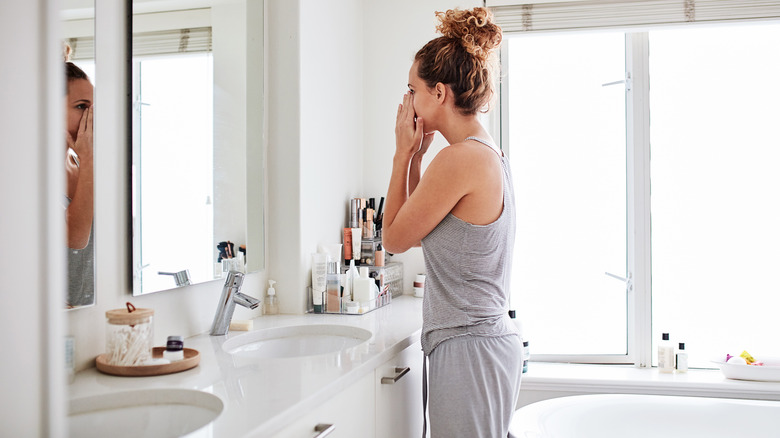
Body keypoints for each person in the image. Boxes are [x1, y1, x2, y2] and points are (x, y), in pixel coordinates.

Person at [381, 7, 522, 438]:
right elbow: (421, 226)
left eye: (412, 89)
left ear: (439, 92)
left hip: (469, 350)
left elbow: (394, 238)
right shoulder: (482, 151)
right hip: (481, 343)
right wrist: (418, 155)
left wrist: (402, 153)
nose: (407, 101)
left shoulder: (460, 159)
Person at [64, 45, 95, 307]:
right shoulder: (29, 172)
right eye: (82, 106)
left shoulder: (79, 163)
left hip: (84, 315)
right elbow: (76, 239)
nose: (91, 116)